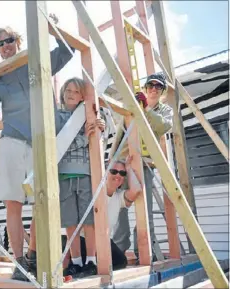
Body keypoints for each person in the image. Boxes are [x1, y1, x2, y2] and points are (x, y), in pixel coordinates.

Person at [0, 15, 74, 281]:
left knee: (41, 199)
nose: (5, 46)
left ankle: (34, 254)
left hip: (42, 140)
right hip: (13, 140)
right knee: (12, 202)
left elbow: (68, 52)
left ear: (19, 41)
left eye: (9, 40)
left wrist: (52, 29)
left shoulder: (37, 60)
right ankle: (20, 262)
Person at [110, 72, 173, 261]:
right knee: (119, 206)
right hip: (124, 162)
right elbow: (121, 132)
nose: (153, 89)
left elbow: (163, 126)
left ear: (162, 91)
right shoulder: (134, 105)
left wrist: (145, 110)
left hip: (145, 164)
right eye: (150, 85)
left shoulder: (164, 110)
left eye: (158, 87)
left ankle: (143, 251)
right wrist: (112, 161)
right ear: (145, 88)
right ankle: (119, 248)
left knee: (144, 211)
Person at [55, 78, 109, 278]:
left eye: (76, 91)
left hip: (86, 173)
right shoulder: (57, 116)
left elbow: (99, 138)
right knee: (71, 221)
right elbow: (61, 143)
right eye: (67, 90)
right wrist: (83, 138)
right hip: (64, 173)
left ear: (81, 97)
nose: (70, 93)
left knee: (89, 220)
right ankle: (76, 262)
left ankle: (91, 261)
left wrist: (101, 128)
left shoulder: (87, 115)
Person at [62, 158, 142, 275]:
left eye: (122, 173)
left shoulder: (119, 198)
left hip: (102, 240)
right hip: (82, 240)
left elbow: (136, 189)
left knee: (120, 261)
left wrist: (129, 168)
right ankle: (82, 266)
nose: (118, 175)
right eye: (113, 171)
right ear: (105, 173)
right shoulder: (93, 191)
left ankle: (91, 269)